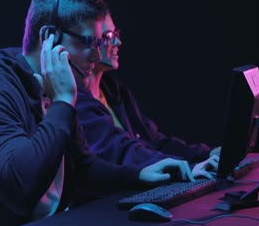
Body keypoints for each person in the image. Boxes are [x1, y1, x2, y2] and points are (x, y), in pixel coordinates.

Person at [0, 0, 198, 226]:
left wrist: (140, 175)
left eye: (100, 43)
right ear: (49, 37)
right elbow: (21, 190)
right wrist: (63, 101)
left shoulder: (52, 89)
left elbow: (84, 169)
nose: (97, 56)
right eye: (89, 42)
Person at [75, 11, 222, 172]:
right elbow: (124, 152)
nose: (118, 41)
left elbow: (152, 141)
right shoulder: (77, 103)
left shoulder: (116, 91)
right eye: (108, 36)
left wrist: (205, 154)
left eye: (115, 33)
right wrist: (188, 168)